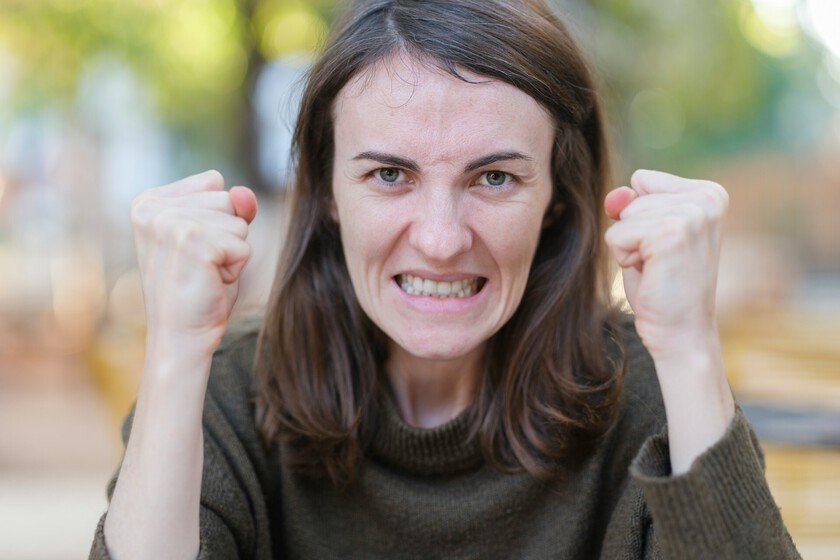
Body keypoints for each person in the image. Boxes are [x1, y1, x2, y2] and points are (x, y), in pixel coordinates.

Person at [90, 0, 801, 558]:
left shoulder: (650, 393)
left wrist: (689, 350)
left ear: (557, 191)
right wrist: (178, 350)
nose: (439, 239)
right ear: (328, 191)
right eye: (390, 175)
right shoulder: (228, 396)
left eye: (494, 177)